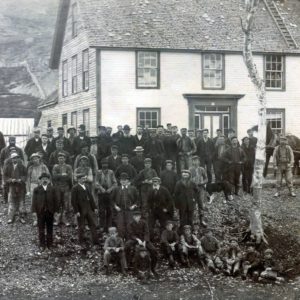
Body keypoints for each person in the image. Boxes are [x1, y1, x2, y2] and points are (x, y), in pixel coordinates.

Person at [125, 211, 158, 277]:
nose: (136, 218)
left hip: (144, 239)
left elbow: (147, 232)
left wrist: (145, 241)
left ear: (140, 216)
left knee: (154, 250)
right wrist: (137, 239)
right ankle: (127, 266)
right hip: (134, 239)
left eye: (138, 216)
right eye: (135, 216)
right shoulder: (130, 224)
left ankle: (152, 268)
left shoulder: (144, 222)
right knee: (127, 246)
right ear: (133, 217)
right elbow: (131, 234)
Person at [31, 173, 58, 252]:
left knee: (50, 228)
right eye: (43, 179)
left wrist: (56, 211)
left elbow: (56, 201)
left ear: (49, 180)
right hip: (41, 212)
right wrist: (34, 211)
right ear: (40, 180)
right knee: (41, 229)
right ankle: (42, 244)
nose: (44, 180)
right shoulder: (37, 189)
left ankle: (50, 244)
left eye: (46, 179)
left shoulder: (52, 189)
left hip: (50, 212)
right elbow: (34, 201)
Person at [71, 172, 98, 246]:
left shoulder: (87, 186)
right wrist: (76, 211)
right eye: (83, 178)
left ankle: (95, 241)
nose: (84, 180)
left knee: (92, 224)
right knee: (81, 226)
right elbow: (73, 201)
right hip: (81, 210)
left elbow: (91, 198)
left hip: (88, 209)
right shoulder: (75, 188)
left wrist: (94, 207)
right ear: (78, 179)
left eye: (85, 178)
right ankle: (81, 241)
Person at [111, 172, 139, 238]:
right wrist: (115, 206)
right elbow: (111, 200)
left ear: (128, 181)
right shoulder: (116, 189)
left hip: (129, 211)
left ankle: (129, 240)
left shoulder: (133, 189)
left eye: (125, 180)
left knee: (129, 226)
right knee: (120, 226)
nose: (123, 181)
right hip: (120, 210)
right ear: (120, 181)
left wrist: (134, 205)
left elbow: (138, 199)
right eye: (122, 180)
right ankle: (121, 241)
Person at [27, 153, 51, 226]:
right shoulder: (30, 168)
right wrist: (28, 190)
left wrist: (48, 185)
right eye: (33, 159)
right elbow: (28, 179)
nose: (35, 160)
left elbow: (49, 176)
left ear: (39, 159)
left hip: (42, 185)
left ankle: (43, 218)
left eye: (36, 158)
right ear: (32, 160)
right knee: (34, 202)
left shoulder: (43, 167)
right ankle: (35, 219)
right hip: (33, 185)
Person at [3, 153, 27, 224]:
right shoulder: (8, 167)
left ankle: (21, 217)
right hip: (12, 186)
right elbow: (5, 176)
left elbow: (25, 175)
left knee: (21, 201)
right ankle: (10, 217)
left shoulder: (22, 166)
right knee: (11, 202)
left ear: (18, 158)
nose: (15, 159)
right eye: (13, 158)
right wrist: (10, 180)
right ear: (11, 159)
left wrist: (21, 179)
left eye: (16, 158)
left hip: (21, 186)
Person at [95, 158, 117, 232]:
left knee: (109, 210)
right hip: (101, 194)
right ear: (101, 164)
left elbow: (115, 183)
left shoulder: (111, 172)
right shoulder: (98, 172)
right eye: (103, 164)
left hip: (109, 194)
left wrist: (110, 189)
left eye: (106, 164)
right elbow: (96, 183)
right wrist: (101, 188)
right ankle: (102, 226)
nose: (105, 165)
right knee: (101, 210)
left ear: (108, 164)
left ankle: (109, 226)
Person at [52, 152, 73, 226]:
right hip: (57, 187)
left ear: (65, 159)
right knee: (58, 202)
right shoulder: (55, 167)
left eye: (62, 158)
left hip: (66, 187)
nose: (61, 159)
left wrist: (61, 176)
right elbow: (54, 176)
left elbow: (69, 177)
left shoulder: (68, 167)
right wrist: (62, 175)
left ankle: (64, 218)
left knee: (65, 203)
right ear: (57, 159)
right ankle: (57, 219)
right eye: (59, 158)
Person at [189, 156, 207, 227]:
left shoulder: (202, 169)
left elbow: (206, 179)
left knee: (201, 204)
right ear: (192, 162)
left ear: (199, 162)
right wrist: (193, 184)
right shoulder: (190, 169)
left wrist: (202, 183)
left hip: (201, 188)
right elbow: (188, 180)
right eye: (194, 161)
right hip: (193, 189)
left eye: (197, 161)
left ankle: (201, 220)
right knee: (192, 205)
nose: (196, 162)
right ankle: (192, 220)